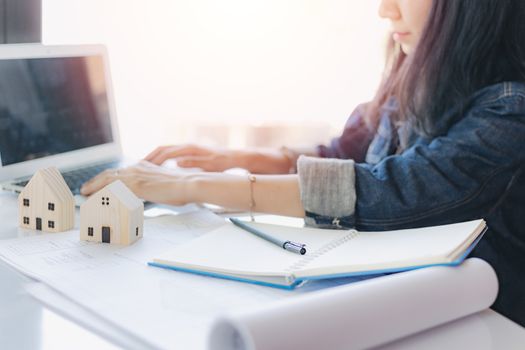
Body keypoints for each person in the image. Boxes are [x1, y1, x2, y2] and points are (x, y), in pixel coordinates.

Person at [81, 0, 525, 326]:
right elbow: (339, 153)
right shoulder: (415, 78)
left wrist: (198, 184)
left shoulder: (511, 109)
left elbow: (394, 191)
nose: (385, 10)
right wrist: (235, 158)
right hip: (397, 305)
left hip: (480, 322)